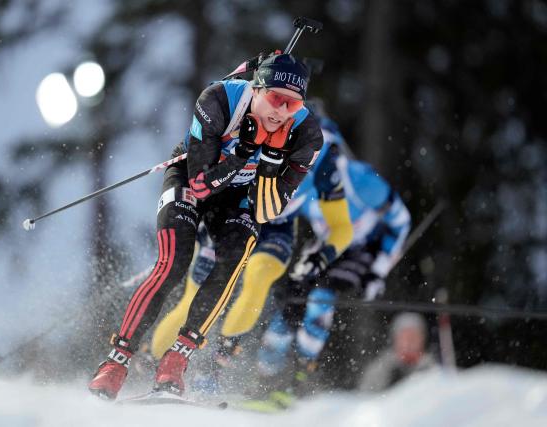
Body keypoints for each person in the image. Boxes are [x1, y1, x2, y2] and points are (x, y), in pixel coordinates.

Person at [88, 52, 323, 399]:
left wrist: (271, 160)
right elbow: (200, 184)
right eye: (275, 99)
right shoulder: (218, 100)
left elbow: (265, 210)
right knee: (174, 263)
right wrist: (243, 151)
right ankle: (116, 362)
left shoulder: (306, 134)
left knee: (233, 259)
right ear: (257, 89)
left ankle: (176, 360)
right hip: (191, 177)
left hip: (240, 196)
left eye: (292, 103)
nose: (281, 112)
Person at [148, 114, 354, 384]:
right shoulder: (260, 129)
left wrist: (321, 256)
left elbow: (341, 226)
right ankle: (152, 363)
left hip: (276, 228)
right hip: (232, 218)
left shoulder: (326, 159)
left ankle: (216, 363)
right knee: (196, 296)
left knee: (259, 277)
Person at [255, 154, 412, 396]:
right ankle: (265, 377)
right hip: (328, 247)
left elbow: (400, 223)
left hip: (361, 250)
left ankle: (299, 381)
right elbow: (274, 216)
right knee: (290, 300)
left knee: (320, 297)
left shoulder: (358, 181)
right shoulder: (296, 183)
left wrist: (377, 272)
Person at [358, 312, 437, 392]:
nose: (409, 342)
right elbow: (366, 397)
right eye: (404, 337)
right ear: (395, 339)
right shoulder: (380, 368)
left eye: (413, 337)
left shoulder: (434, 369)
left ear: (423, 339)